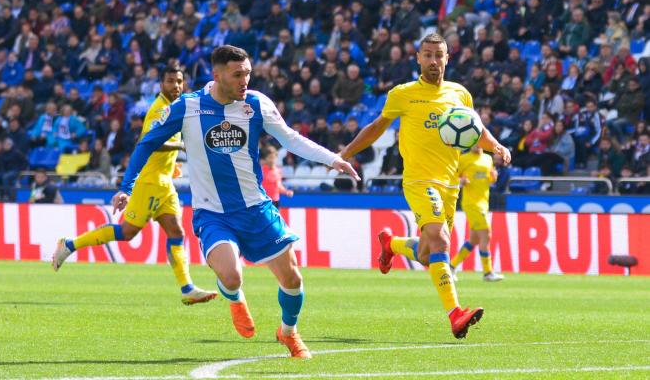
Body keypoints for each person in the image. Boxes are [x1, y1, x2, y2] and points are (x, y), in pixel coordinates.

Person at [110, 45, 358, 358]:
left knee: (293, 278)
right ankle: (236, 298)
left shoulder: (255, 103)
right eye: (237, 74)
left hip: (256, 208)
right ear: (216, 75)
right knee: (231, 275)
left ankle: (288, 332)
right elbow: (147, 144)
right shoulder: (187, 107)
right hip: (213, 212)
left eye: (248, 74)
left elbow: (290, 139)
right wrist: (127, 187)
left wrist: (333, 159)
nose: (245, 80)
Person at [339, 33, 511, 339]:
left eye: (439, 55)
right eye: (427, 55)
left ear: (447, 58)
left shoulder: (460, 94)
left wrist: (496, 146)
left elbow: (475, 131)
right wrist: (344, 154)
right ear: (418, 58)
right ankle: (456, 314)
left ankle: (391, 244)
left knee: (427, 252)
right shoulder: (403, 94)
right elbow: (377, 127)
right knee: (441, 239)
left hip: (450, 184)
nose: (433, 61)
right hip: (419, 181)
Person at [51, 64, 217, 306]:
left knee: (176, 232)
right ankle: (69, 245)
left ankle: (187, 288)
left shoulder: (175, 108)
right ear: (161, 84)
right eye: (171, 81)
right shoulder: (159, 110)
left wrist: (172, 165)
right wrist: (182, 148)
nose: (176, 86)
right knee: (127, 232)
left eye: (179, 81)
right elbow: (150, 143)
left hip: (164, 183)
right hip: (149, 182)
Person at [450, 146, 504, 282]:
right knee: (486, 234)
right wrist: (460, 182)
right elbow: (451, 178)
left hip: (484, 203)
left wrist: (493, 178)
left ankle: (451, 266)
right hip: (472, 204)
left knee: (474, 240)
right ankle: (488, 272)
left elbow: (489, 178)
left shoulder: (488, 158)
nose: (477, 144)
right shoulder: (463, 158)